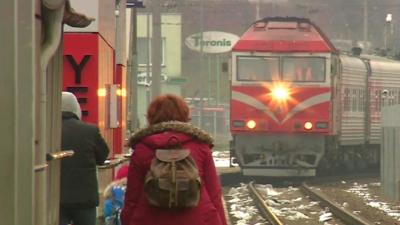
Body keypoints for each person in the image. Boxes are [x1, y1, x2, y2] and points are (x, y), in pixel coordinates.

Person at [121, 94, 227, 225]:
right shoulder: (200, 146)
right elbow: (214, 193)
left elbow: (132, 196)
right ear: (184, 115)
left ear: (151, 117)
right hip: (197, 219)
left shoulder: (142, 148)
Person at [60, 92, 110, 225]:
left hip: (56, 198)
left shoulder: (48, 130)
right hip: (84, 198)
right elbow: (103, 156)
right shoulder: (90, 130)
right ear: (76, 108)